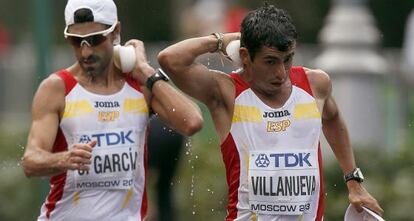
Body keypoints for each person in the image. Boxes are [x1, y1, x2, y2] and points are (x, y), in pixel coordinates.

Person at [158, 3, 383, 221]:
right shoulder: (226, 93)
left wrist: (354, 182)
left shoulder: (315, 84)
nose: (281, 73)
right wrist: (220, 40)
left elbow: (332, 120)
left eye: (287, 60)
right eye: (270, 61)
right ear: (245, 56)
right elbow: (170, 60)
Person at [21, 0, 203, 220]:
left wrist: (146, 71)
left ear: (116, 32)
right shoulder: (57, 88)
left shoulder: (140, 86)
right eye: (76, 42)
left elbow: (192, 122)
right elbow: (31, 161)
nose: (85, 51)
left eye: (95, 40)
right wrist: (63, 159)